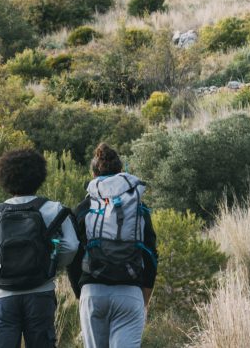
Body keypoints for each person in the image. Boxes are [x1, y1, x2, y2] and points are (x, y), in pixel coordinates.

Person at [0, 148, 79, 348]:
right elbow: (72, 246)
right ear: (39, 176)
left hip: (2, 299)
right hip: (41, 295)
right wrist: (51, 265)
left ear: (5, 179)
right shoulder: (53, 209)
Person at [69, 143, 157, 348]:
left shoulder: (84, 208)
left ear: (93, 174)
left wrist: (80, 293)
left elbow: (73, 254)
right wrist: (144, 298)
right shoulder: (137, 207)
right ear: (121, 173)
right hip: (130, 292)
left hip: (92, 291)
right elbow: (151, 254)